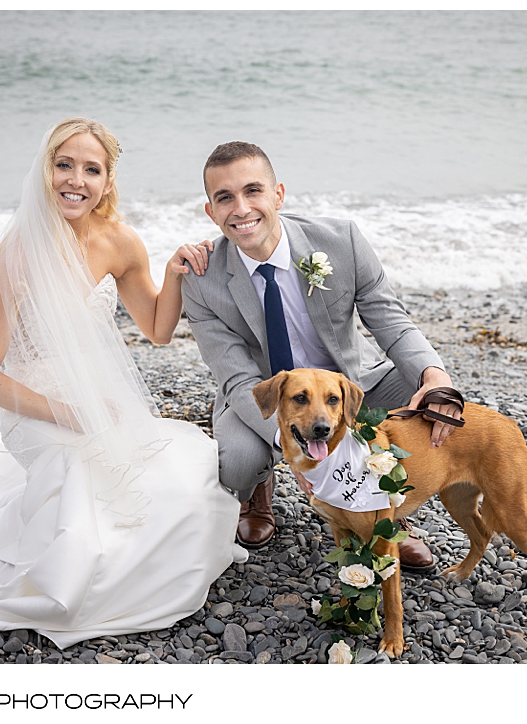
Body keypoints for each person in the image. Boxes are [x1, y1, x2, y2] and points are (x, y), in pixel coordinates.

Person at [0, 118, 244, 650]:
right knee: (83, 516)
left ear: (108, 181)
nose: (76, 180)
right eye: (65, 165)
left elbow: (157, 330)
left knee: (180, 490)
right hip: (35, 410)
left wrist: (176, 273)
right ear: (46, 171)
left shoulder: (121, 242)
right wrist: (68, 412)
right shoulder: (18, 253)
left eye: (92, 169)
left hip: (103, 401)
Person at [181, 142, 463, 571]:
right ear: (210, 211)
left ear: (278, 194)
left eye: (253, 191)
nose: (241, 208)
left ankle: (387, 517)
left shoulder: (341, 240)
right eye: (225, 198)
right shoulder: (202, 280)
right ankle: (259, 489)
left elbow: (390, 318)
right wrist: (296, 445)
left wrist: (435, 376)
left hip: (347, 386)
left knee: (426, 399)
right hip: (264, 398)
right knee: (236, 462)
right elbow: (238, 380)